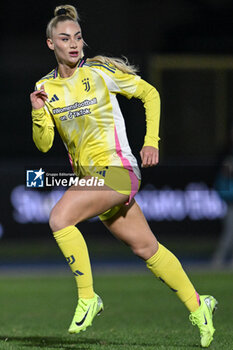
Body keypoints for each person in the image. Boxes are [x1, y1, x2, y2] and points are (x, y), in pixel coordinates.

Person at [30, 4, 217, 348]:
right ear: (50, 44)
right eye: (64, 38)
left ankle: (88, 298)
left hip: (119, 172)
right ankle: (199, 304)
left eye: (78, 37)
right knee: (147, 248)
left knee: (59, 218)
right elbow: (43, 146)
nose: (73, 44)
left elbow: (150, 93)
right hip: (97, 182)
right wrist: (39, 113)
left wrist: (151, 142)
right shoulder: (45, 88)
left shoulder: (100, 73)